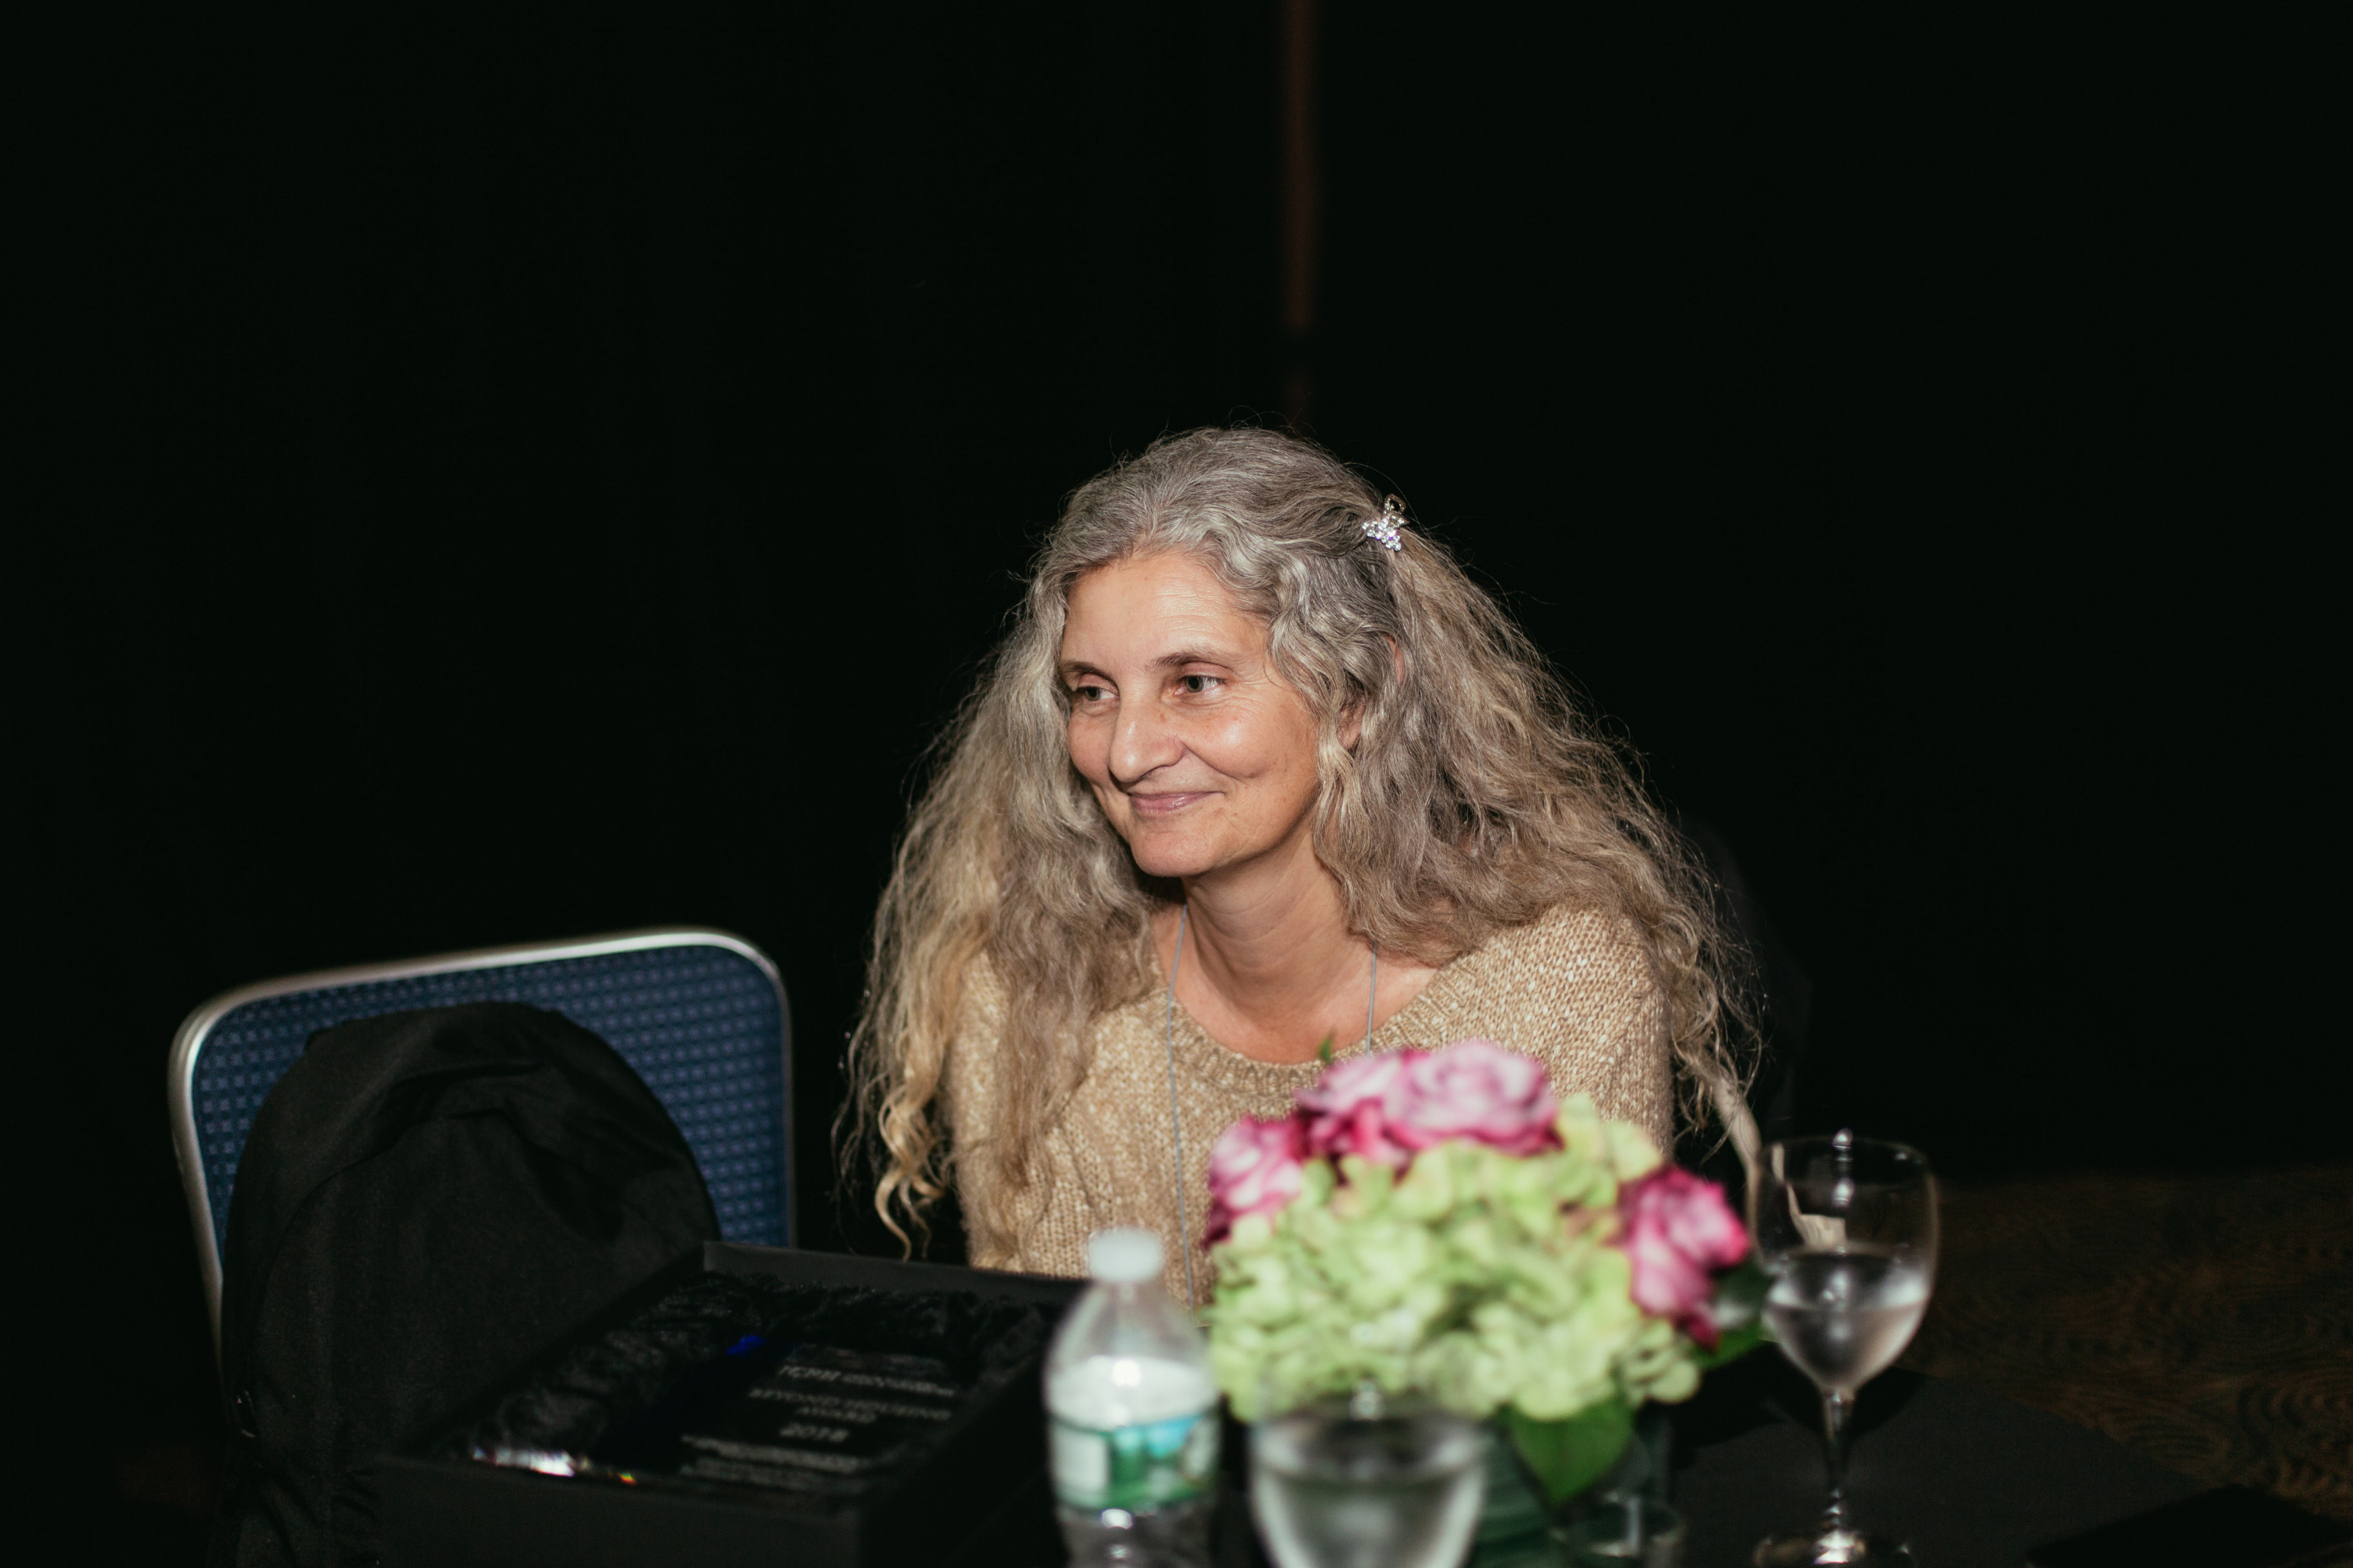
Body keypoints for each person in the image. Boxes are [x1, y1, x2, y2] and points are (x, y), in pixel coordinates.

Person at [849, 427, 1749, 1303]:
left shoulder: (1559, 986)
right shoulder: (1036, 993)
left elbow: (1585, 1368)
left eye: (1193, 683)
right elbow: (1046, 1374)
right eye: (1092, 692)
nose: (1125, 752)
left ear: (1355, 695)